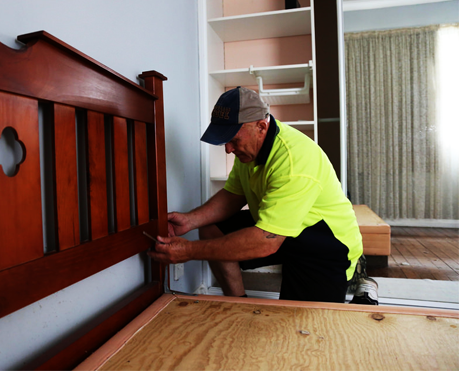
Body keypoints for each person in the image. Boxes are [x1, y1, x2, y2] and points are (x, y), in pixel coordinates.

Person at [149, 86, 363, 303]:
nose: (228, 149)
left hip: (324, 244)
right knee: (212, 228)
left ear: (261, 126)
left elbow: (265, 241)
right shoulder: (249, 152)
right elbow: (233, 196)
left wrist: (188, 251)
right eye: (225, 141)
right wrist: (189, 220)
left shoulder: (293, 160)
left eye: (234, 140)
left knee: (296, 321)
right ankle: (238, 304)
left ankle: (364, 289)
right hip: (281, 227)